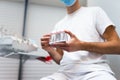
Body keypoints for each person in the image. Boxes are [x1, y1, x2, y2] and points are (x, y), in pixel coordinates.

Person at [40, 0, 120, 80]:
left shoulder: (95, 12)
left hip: (94, 72)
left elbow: (117, 47)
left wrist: (81, 45)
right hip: (64, 74)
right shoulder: (59, 25)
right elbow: (60, 59)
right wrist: (49, 50)